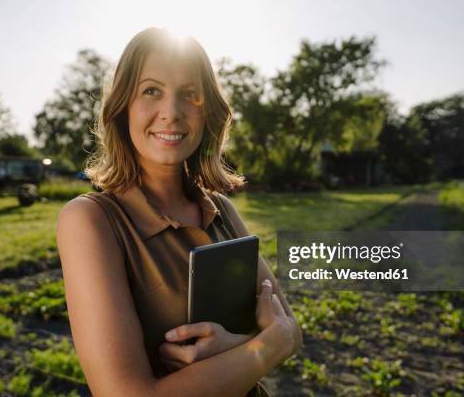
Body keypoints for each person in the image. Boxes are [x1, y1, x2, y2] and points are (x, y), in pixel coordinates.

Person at [56, 27, 302, 396]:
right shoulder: (91, 220)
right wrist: (269, 344)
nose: (171, 113)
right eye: (151, 91)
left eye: (189, 95)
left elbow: (292, 329)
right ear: (124, 106)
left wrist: (236, 345)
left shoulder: (220, 208)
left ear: (207, 115)